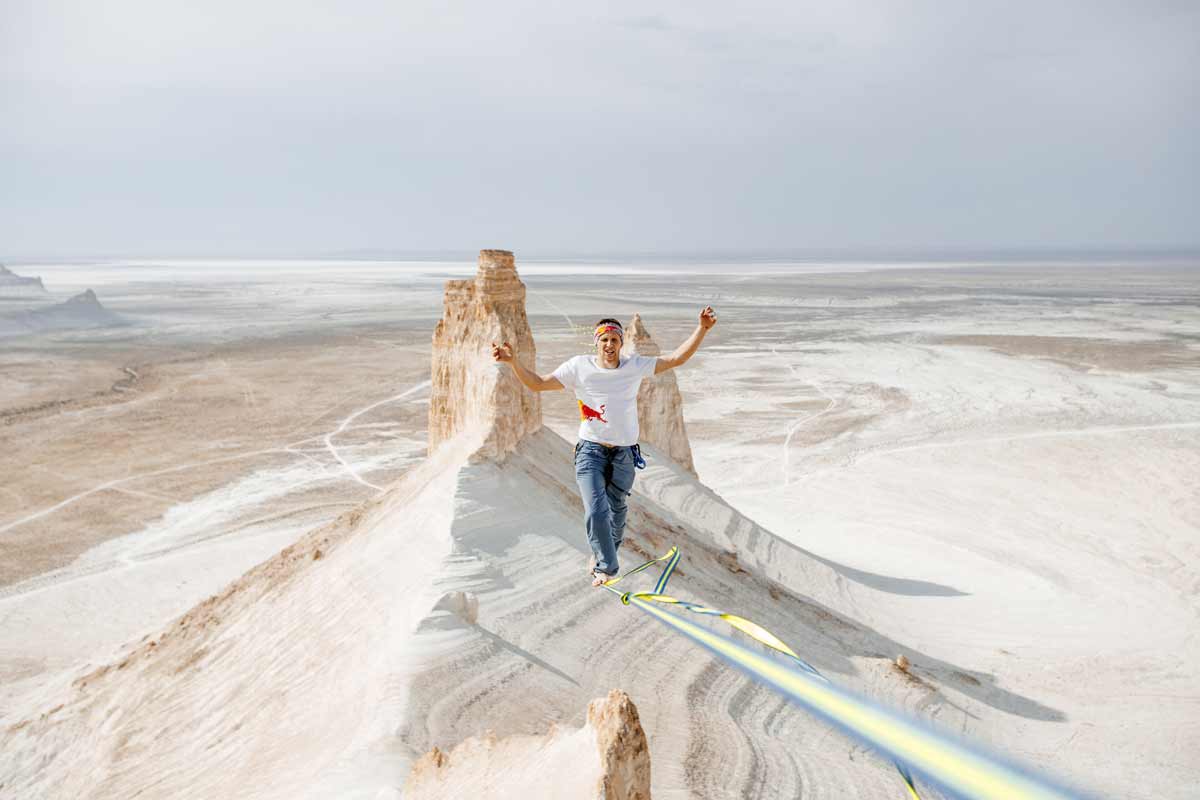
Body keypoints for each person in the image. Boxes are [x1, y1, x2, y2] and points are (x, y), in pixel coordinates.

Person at [491, 306, 717, 586]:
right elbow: (538, 384)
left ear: (621, 343)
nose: (609, 345)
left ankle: (600, 555)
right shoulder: (579, 366)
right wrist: (513, 363)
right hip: (590, 451)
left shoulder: (634, 365)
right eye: (604, 340)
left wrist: (703, 329)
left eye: (614, 340)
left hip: (624, 453)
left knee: (617, 510)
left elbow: (675, 359)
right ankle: (607, 568)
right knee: (597, 509)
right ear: (596, 342)